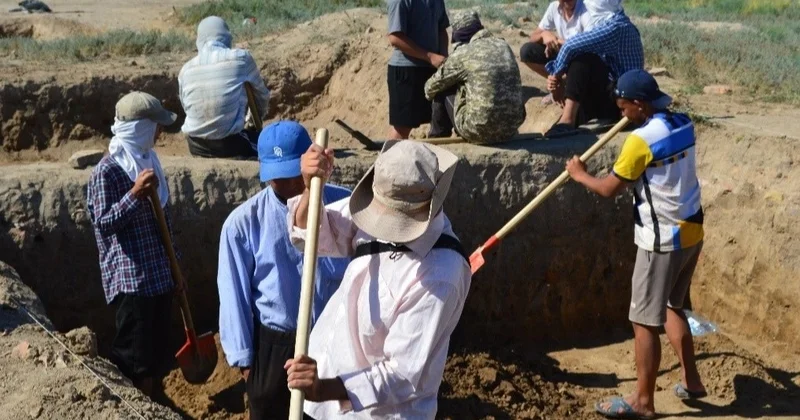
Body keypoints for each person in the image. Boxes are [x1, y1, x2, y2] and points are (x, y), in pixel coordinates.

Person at [284, 140, 471, 418]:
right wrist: (311, 188)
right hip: (319, 395)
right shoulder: (382, 200)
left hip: (370, 413)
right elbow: (311, 235)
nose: (382, 225)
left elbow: (401, 374)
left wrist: (325, 388)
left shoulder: (440, 274)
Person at [565, 70, 707, 419]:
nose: (622, 114)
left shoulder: (639, 142)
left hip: (661, 241)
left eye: (624, 107)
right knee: (673, 306)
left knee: (643, 321)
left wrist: (579, 174)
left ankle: (643, 401)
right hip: (691, 231)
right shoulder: (683, 123)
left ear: (640, 105)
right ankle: (691, 381)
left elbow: (608, 189)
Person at [217, 121, 351, 420]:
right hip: (275, 346)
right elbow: (234, 294)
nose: (289, 183)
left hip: (332, 337)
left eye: (293, 174)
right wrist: (245, 361)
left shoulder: (344, 205)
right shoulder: (242, 223)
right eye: (278, 177)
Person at [86, 91, 179, 397]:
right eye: (156, 125)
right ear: (140, 128)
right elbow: (103, 223)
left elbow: (163, 221)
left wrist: (175, 269)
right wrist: (134, 194)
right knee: (136, 360)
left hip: (159, 276)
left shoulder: (149, 160)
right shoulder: (108, 171)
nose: (160, 131)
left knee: (157, 354)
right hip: (133, 283)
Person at [424, 11, 525, 144]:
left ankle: (437, 140)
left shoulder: (464, 52)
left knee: (442, 88)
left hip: (478, 130)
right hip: (511, 129)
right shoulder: (504, 45)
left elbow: (430, 87)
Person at [545, 0, 644, 135]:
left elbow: (570, 46)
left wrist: (555, 75)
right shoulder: (618, 22)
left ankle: (567, 121)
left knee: (583, 59)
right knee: (585, 58)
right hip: (618, 93)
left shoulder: (616, 27)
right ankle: (572, 121)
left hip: (623, 103)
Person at [179, 16, 270, 159]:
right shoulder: (241, 58)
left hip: (195, 145)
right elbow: (262, 96)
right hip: (229, 145)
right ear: (226, 36)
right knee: (267, 149)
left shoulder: (185, 69)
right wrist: (253, 123)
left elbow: (185, 106)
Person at [386, 0, 450, 140]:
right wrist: (429, 56)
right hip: (406, 71)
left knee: (440, 123)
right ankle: (391, 155)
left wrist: (443, 56)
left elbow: (441, 29)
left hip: (432, 69)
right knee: (402, 127)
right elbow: (395, 38)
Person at [519, 0, 590, 86]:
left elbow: (588, 44)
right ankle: (559, 82)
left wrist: (556, 40)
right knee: (527, 51)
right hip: (562, 53)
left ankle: (569, 84)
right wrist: (544, 35)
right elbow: (533, 37)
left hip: (580, 56)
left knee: (581, 62)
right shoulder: (554, 7)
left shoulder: (586, 8)